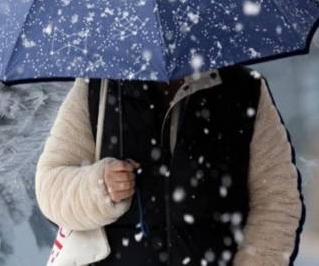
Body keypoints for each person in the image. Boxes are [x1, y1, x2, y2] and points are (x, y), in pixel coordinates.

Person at [34, 65, 305, 265]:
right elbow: (50, 187)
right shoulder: (99, 87)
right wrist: (99, 187)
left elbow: (277, 202)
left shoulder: (244, 90)